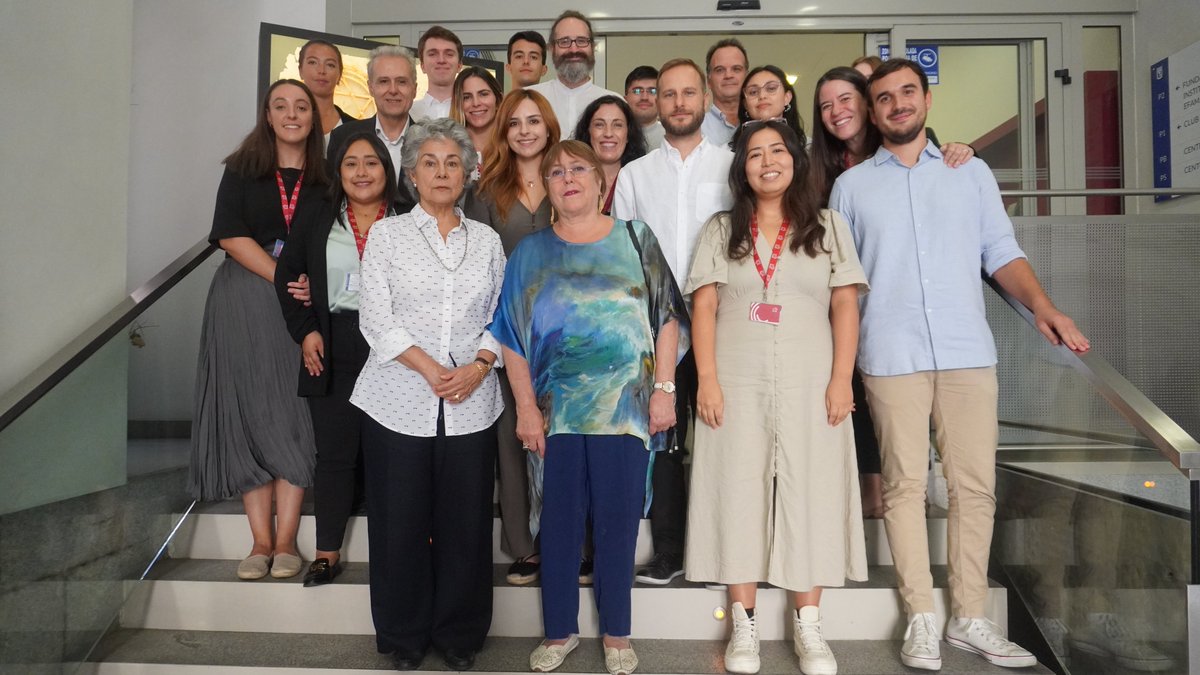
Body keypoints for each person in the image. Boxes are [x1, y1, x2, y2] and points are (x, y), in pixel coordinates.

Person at [830, 58, 1090, 671]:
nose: (897, 105)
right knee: (904, 487)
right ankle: (921, 615)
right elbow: (844, 282)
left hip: (966, 349)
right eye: (884, 97)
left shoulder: (967, 171)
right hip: (890, 354)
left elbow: (1000, 251)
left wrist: (1045, 308)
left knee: (975, 486)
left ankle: (970, 617)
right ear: (871, 110)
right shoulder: (852, 187)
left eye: (907, 93)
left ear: (924, 99)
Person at [489, 140, 685, 675]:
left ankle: (618, 636)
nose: (568, 178)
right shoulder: (529, 252)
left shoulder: (635, 238)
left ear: (602, 182)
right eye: (556, 172)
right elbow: (509, 336)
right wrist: (525, 407)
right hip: (557, 414)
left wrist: (664, 389)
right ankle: (560, 632)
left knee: (618, 525)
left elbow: (667, 317)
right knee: (558, 526)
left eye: (579, 169)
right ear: (546, 187)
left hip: (625, 410)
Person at [685, 118, 868, 675]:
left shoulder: (828, 225)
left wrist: (842, 379)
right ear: (741, 168)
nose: (767, 161)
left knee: (810, 490)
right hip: (736, 377)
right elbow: (706, 307)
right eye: (755, 153)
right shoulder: (722, 228)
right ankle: (744, 625)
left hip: (812, 376)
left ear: (796, 159)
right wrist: (708, 380)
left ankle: (808, 626)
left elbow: (844, 305)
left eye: (777, 150)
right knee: (737, 488)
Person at [351, 118, 505, 672]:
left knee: (465, 522)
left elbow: (501, 317)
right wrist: (432, 369)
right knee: (399, 522)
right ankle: (403, 634)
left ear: (468, 173)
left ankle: (460, 634)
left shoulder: (486, 241)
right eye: (430, 163)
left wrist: (479, 366)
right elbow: (376, 317)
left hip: (473, 402)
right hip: (397, 400)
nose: (442, 172)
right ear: (412, 174)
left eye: (453, 163)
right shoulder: (388, 236)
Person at [809, 66, 975, 519]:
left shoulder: (929, 151)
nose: (837, 112)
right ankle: (869, 491)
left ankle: (896, 490)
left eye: (846, 100)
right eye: (826, 106)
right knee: (855, 398)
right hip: (849, 305)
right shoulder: (826, 173)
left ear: (869, 104)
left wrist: (963, 148)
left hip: (910, 316)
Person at [188, 79, 328, 581]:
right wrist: (285, 277)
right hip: (246, 298)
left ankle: (287, 539)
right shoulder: (241, 170)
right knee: (251, 412)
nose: (292, 114)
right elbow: (229, 235)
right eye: (281, 106)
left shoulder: (326, 175)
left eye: (301, 107)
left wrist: (314, 283)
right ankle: (259, 541)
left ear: (315, 117)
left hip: (305, 305)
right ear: (267, 116)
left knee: (294, 414)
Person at [612, 58, 734, 586]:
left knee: (721, 438)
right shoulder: (634, 176)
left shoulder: (733, 165)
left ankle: (724, 552)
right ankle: (668, 551)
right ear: (655, 104)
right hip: (654, 329)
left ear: (705, 99)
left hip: (726, 326)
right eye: (668, 94)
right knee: (663, 442)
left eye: (689, 93)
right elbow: (620, 254)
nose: (679, 103)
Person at [275, 131, 397, 587]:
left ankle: (400, 545)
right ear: (337, 171)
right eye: (351, 164)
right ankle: (327, 551)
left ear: (387, 169)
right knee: (335, 456)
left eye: (371, 163)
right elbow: (288, 277)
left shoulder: (406, 217)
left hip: (394, 349)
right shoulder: (317, 215)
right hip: (333, 343)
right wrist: (305, 331)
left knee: (394, 455)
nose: (362, 172)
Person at [465, 88, 561, 586]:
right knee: (514, 438)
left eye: (533, 121)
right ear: (503, 131)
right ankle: (524, 547)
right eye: (515, 123)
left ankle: (571, 542)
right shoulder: (484, 192)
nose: (525, 130)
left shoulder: (567, 179)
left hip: (567, 331)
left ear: (548, 127)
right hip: (508, 330)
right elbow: (479, 269)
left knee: (566, 436)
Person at [328, 45, 420, 215]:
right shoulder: (343, 137)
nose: (393, 90)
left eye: (401, 82)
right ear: (370, 87)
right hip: (356, 237)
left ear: (414, 89)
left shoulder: (430, 141)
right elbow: (332, 199)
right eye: (384, 81)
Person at [527, 10, 622, 134]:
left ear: (592, 47)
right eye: (564, 42)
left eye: (581, 41)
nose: (573, 49)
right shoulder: (530, 99)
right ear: (551, 49)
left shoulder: (616, 103)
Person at [572, 95, 648, 215]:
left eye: (617, 125)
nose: (608, 133)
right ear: (588, 132)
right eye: (599, 125)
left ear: (628, 134)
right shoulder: (570, 179)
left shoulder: (643, 181)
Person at [297, 39, 356, 145]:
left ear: (340, 74)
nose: (321, 71)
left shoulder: (357, 129)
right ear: (300, 70)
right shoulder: (288, 123)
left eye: (330, 65)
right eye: (313, 62)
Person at [732, 65, 806, 148]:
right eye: (753, 92)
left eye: (771, 88)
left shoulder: (809, 150)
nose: (762, 96)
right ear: (745, 104)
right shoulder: (726, 154)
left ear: (787, 97)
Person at [450, 66, 503, 175]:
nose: (476, 103)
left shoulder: (513, 145)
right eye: (466, 97)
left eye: (483, 94)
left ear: (498, 100)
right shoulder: (449, 147)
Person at [702, 38, 749, 147]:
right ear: (709, 81)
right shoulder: (695, 128)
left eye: (736, 69)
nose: (728, 75)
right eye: (720, 70)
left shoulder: (761, 122)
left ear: (747, 77)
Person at [410, 25, 463, 121]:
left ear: (459, 65)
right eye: (432, 54)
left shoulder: (472, 112)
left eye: (449, 54)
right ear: (422, 66)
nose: (441, 60)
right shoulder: (409, 113)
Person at [623, 65, 664, 150]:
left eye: (652, 91)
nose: (644, 97)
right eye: (637, 91)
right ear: (626, 99)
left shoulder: (673, 137)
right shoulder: (614, 135)